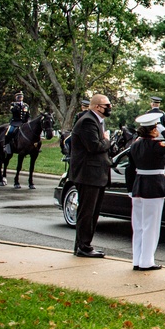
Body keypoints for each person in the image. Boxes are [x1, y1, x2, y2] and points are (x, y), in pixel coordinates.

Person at [125, 113, 165, 271]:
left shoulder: (135, 145)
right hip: (153, 186)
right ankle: (147, 261)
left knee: (139, 226)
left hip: (138, 186)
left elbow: (129, 169)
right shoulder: (156, 145)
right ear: (154, 130)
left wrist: (130, 189)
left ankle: (137, 259)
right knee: (151, 226)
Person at [69, 94, 113, 258]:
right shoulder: (88, 121)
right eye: (107, 105)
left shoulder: (97, 121)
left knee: (92, 212)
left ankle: (83, 245)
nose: (109, 108)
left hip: (95, 174)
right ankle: (83, 246)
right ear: (96, 107)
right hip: (88, 174)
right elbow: (94, 146)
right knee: (87, 212)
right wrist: (107, 140)